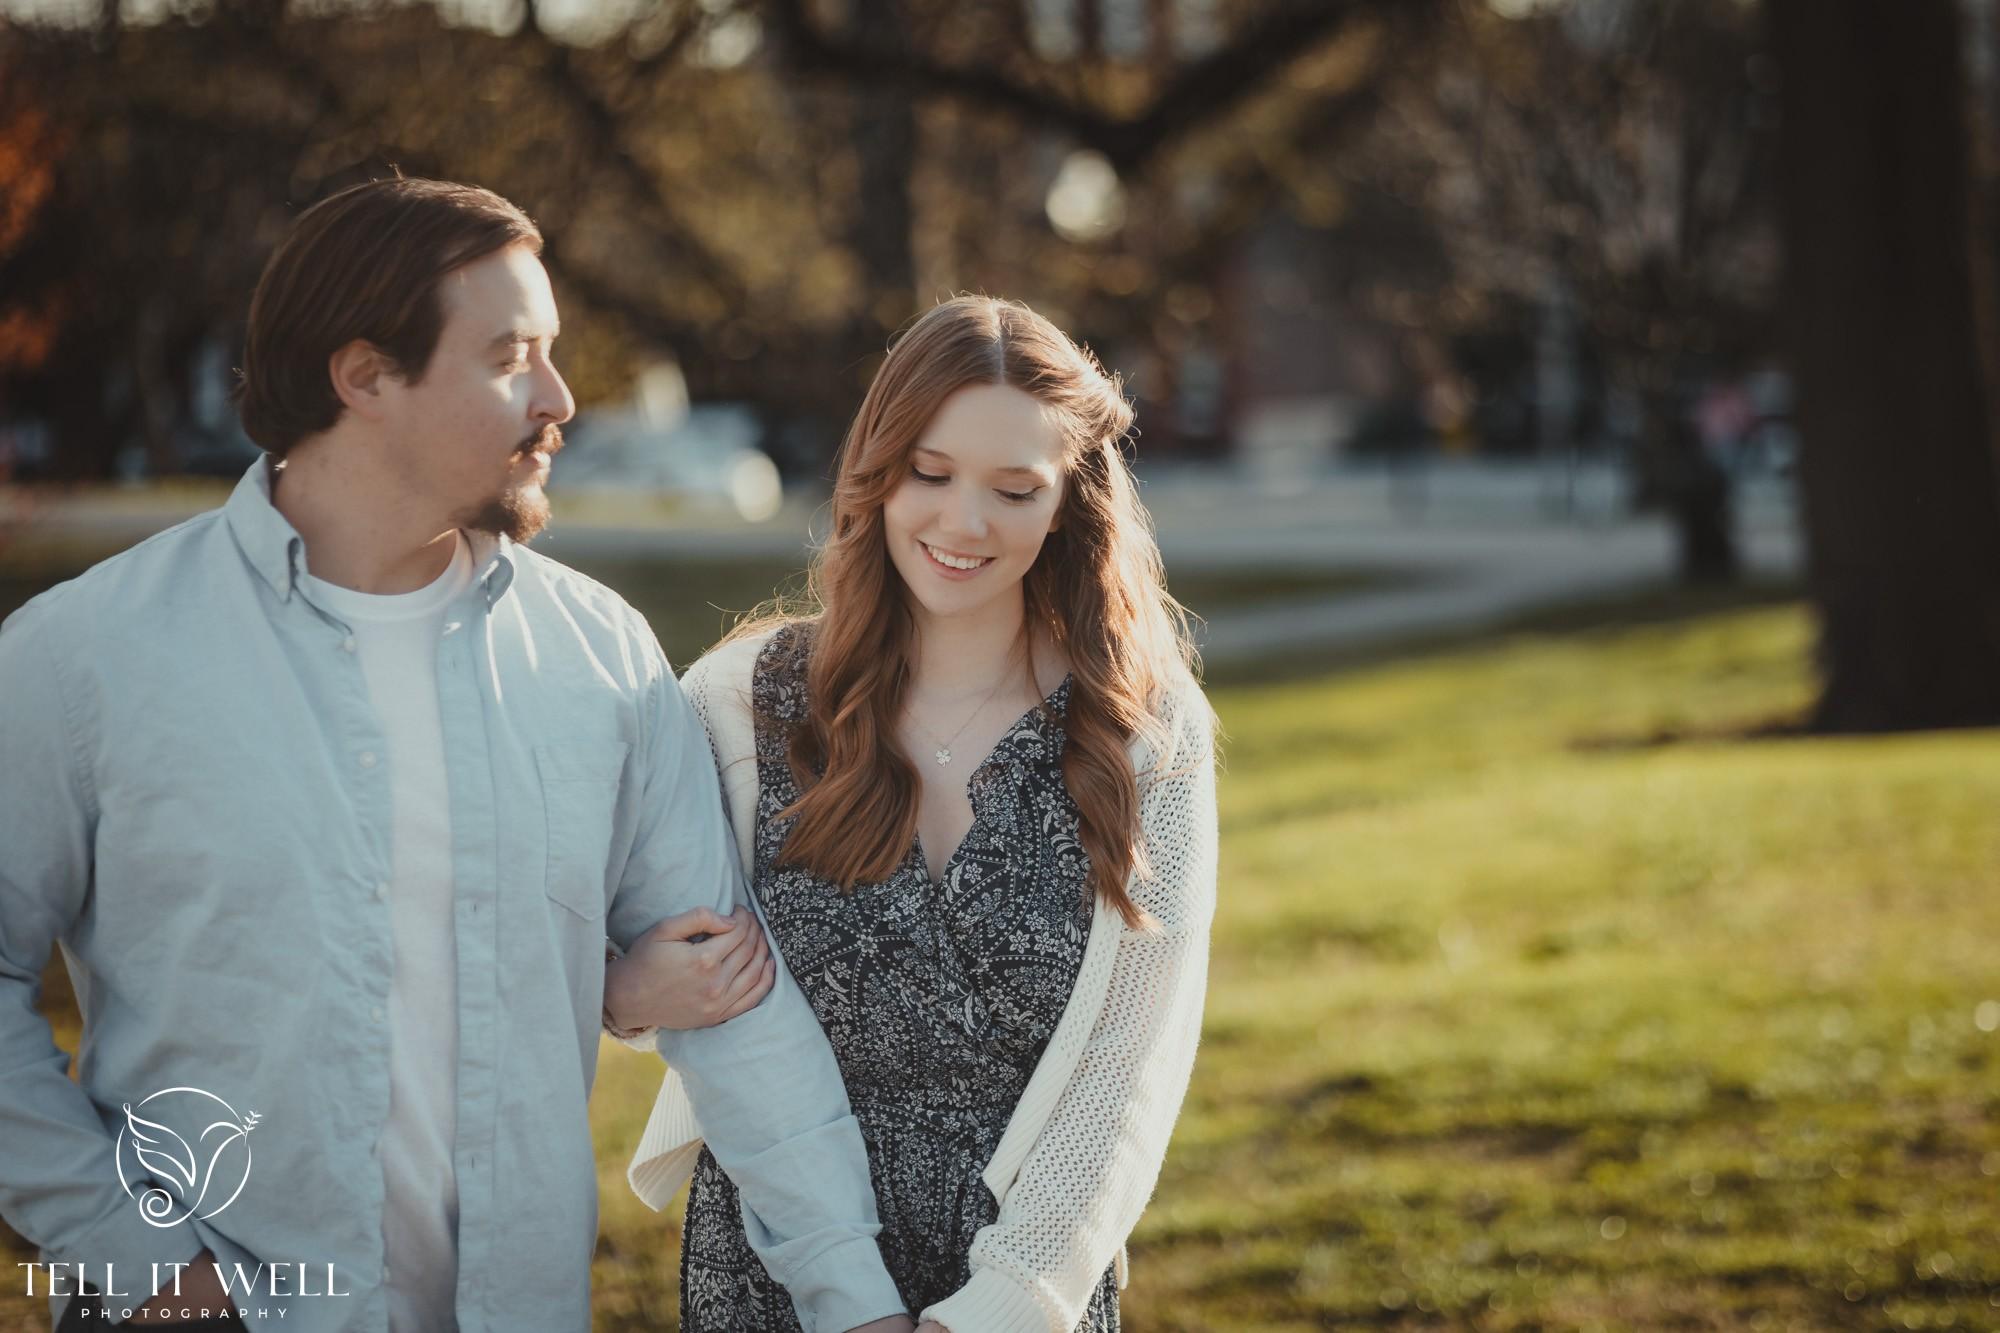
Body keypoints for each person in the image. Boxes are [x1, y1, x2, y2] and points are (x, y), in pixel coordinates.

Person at [0, 177, 914, 1333]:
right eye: (510, 358)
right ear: (365, 374)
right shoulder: (87, 659)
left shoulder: (600, 658)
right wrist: (135, 1260)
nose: (560, 398)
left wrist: (857, 1305)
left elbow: (733, 1003)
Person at [607, 296, 1220, 1331]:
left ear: (1070, 499)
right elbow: (581, 939)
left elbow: (1132, 1061)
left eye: (1013, 489)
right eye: (928, 475)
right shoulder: (734, 702)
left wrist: (999, 1306)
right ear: (875, 471)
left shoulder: (1145, 730)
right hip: (776, 1268)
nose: (961, 523)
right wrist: (622, 994)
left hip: (1035, 1285)